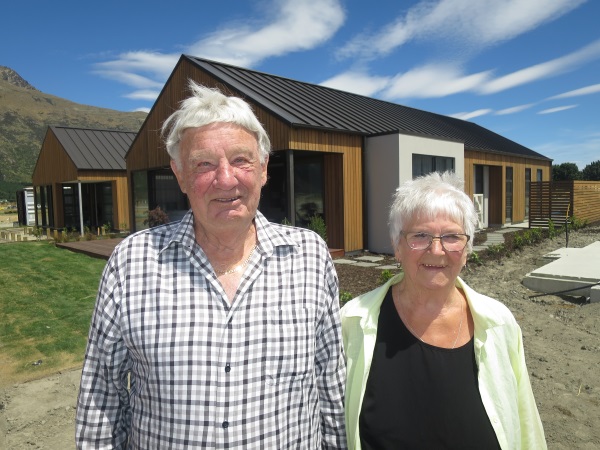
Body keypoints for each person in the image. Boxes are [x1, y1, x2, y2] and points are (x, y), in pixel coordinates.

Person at [75, 81, 347, 449]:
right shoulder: (132, 262)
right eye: (204, 164)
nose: (225, 178)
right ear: (180, 175)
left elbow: (331, 387)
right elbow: (100, 399)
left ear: (264, 168)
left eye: (240, 160)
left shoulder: (310, 256)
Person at [341, 171, 547, 449]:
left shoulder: (499, 323)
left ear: (467, 248)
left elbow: (526, 427)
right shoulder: (351, 323)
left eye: (452, 237)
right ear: (397, 246)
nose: (436, 250)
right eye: (420, 235)